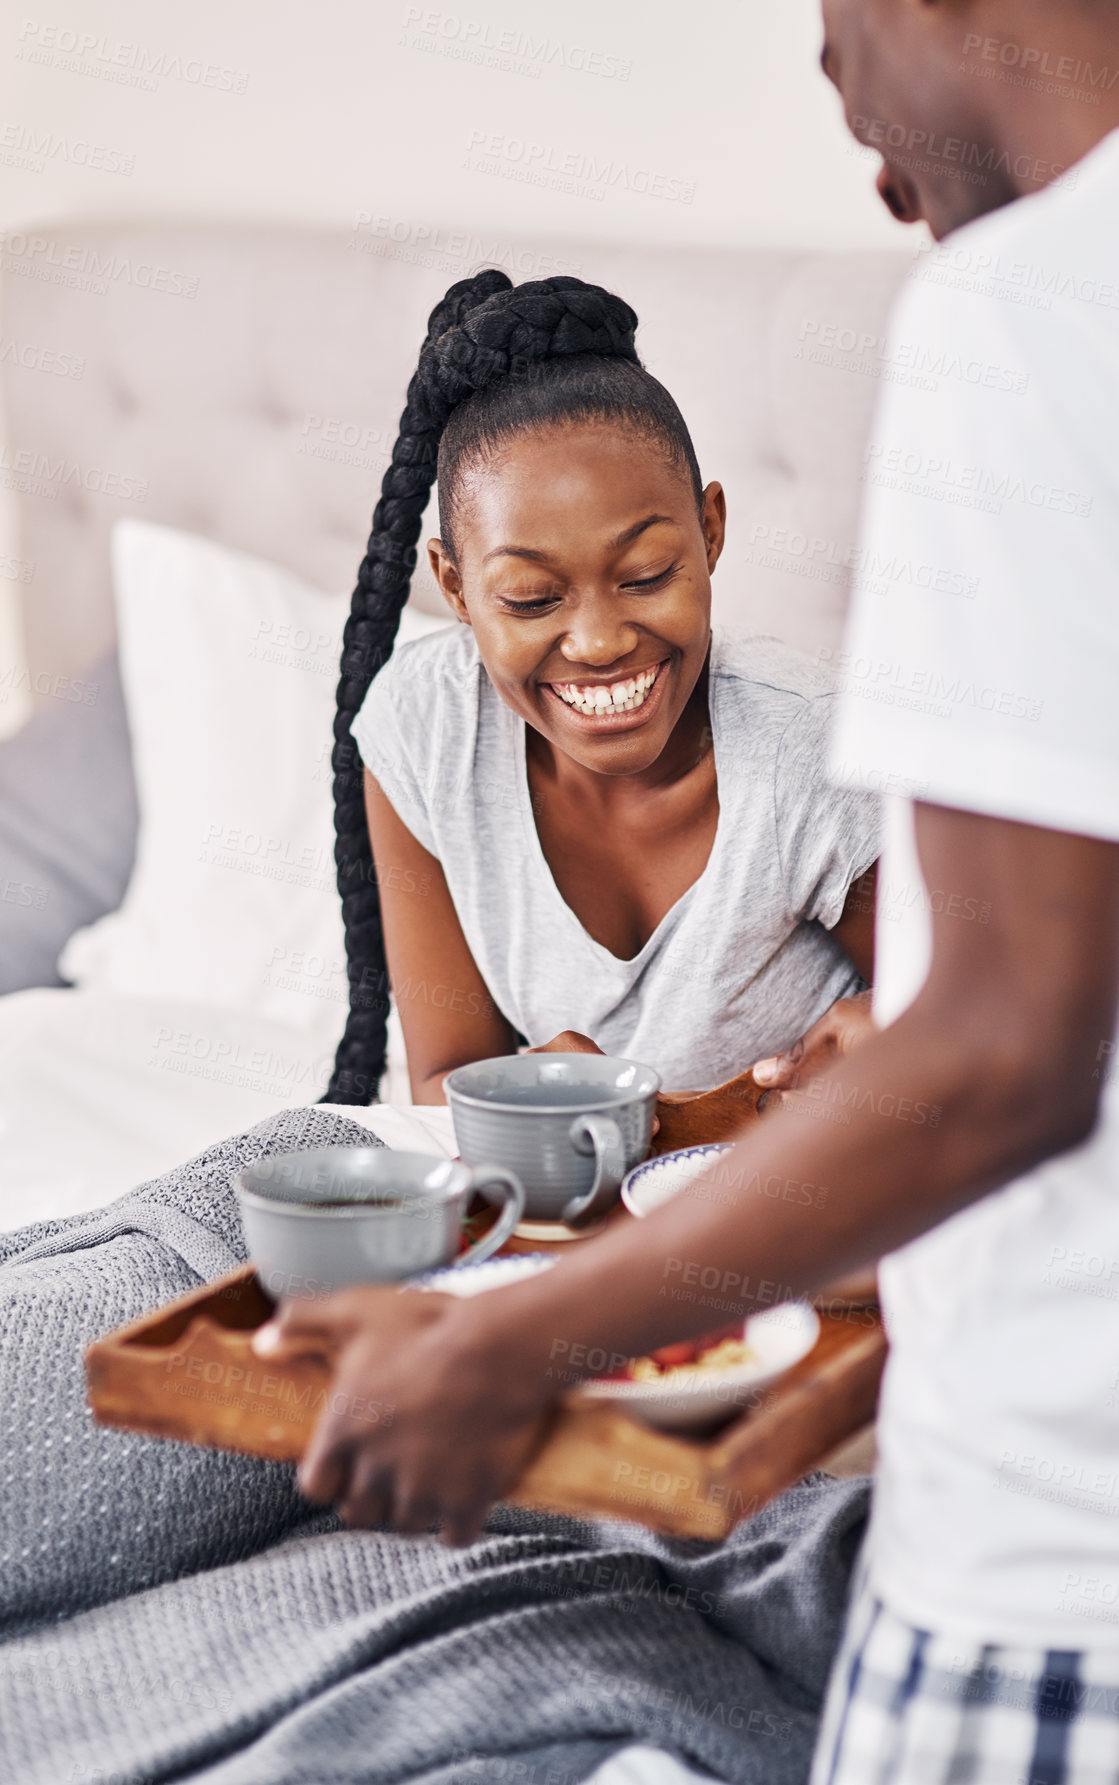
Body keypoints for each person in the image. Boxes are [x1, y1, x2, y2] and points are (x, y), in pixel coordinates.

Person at [259, 1, 1119, 1780]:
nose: (829, 83)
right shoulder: (414, 733)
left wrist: (521, 1352)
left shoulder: (1029, 310)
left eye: (823, 17)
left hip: (1050, 1546)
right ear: (449, 587)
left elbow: (988, 1049)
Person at [325, 270, 879, 1102]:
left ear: (710, 531)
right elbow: (444, 1079)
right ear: (454, 586)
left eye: (647, 573)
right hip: (566, 1209)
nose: (598, 642)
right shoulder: (421, 730)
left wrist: (879, 1042)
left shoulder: (813, 753)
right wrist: (537, 1092)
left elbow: (977, 1022)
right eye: (531, 598)